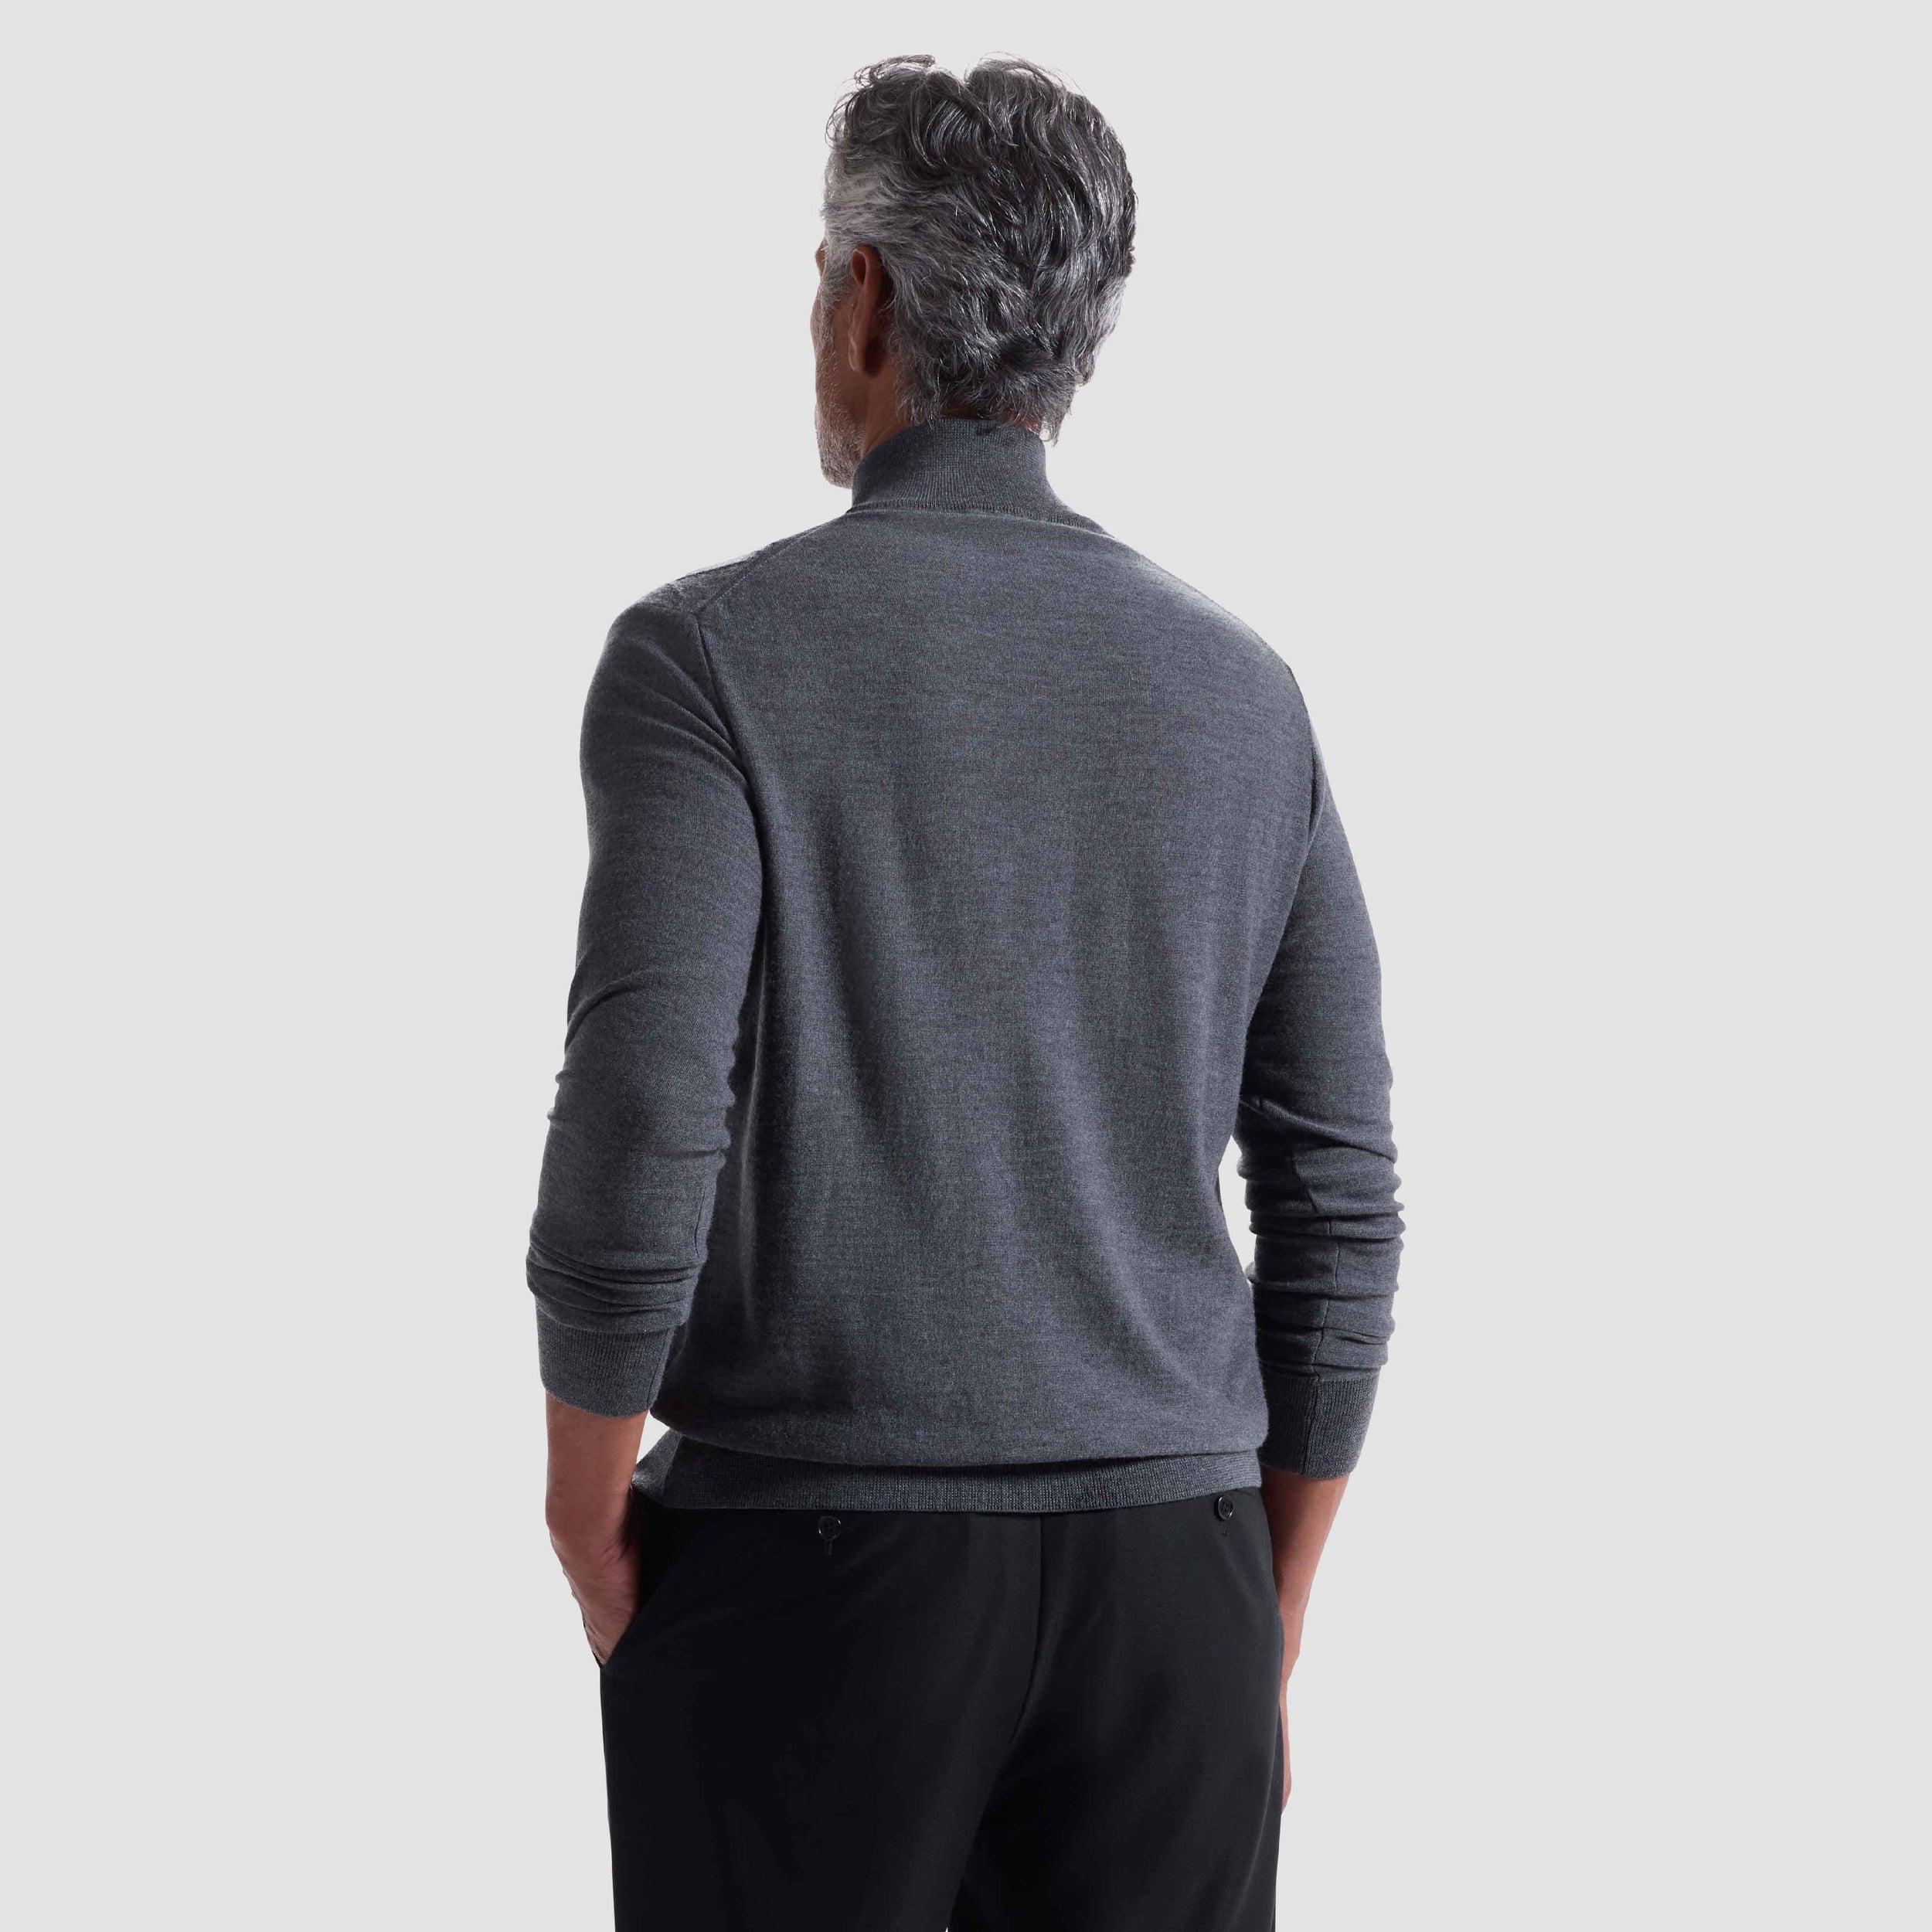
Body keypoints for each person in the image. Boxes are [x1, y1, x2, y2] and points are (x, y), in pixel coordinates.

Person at [529, 53, 1403, 1932]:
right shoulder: (1243, 694)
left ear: (864, 301)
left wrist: (583, 1497)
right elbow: (1335, 1181)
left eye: (818, 274)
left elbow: (643, 1112)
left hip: (806, 1565)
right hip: (1174, 1576)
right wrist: (1262, 1584)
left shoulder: (707, 657)